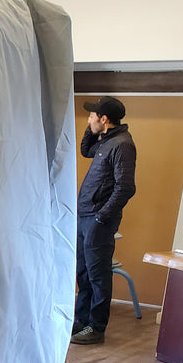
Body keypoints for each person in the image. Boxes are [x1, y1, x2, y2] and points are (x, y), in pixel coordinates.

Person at [72, 96, 137, 345]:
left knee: (98, 275)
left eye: (92, 116)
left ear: (104, 119)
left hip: (98, 219)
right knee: (84, 272)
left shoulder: (122, 145)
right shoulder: (106, 141)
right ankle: (81, 322)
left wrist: (101, 216)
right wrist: (92, 130)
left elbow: (126, 187)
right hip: (85, 215)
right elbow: (85, 150)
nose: (88, 119)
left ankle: (96, 328)